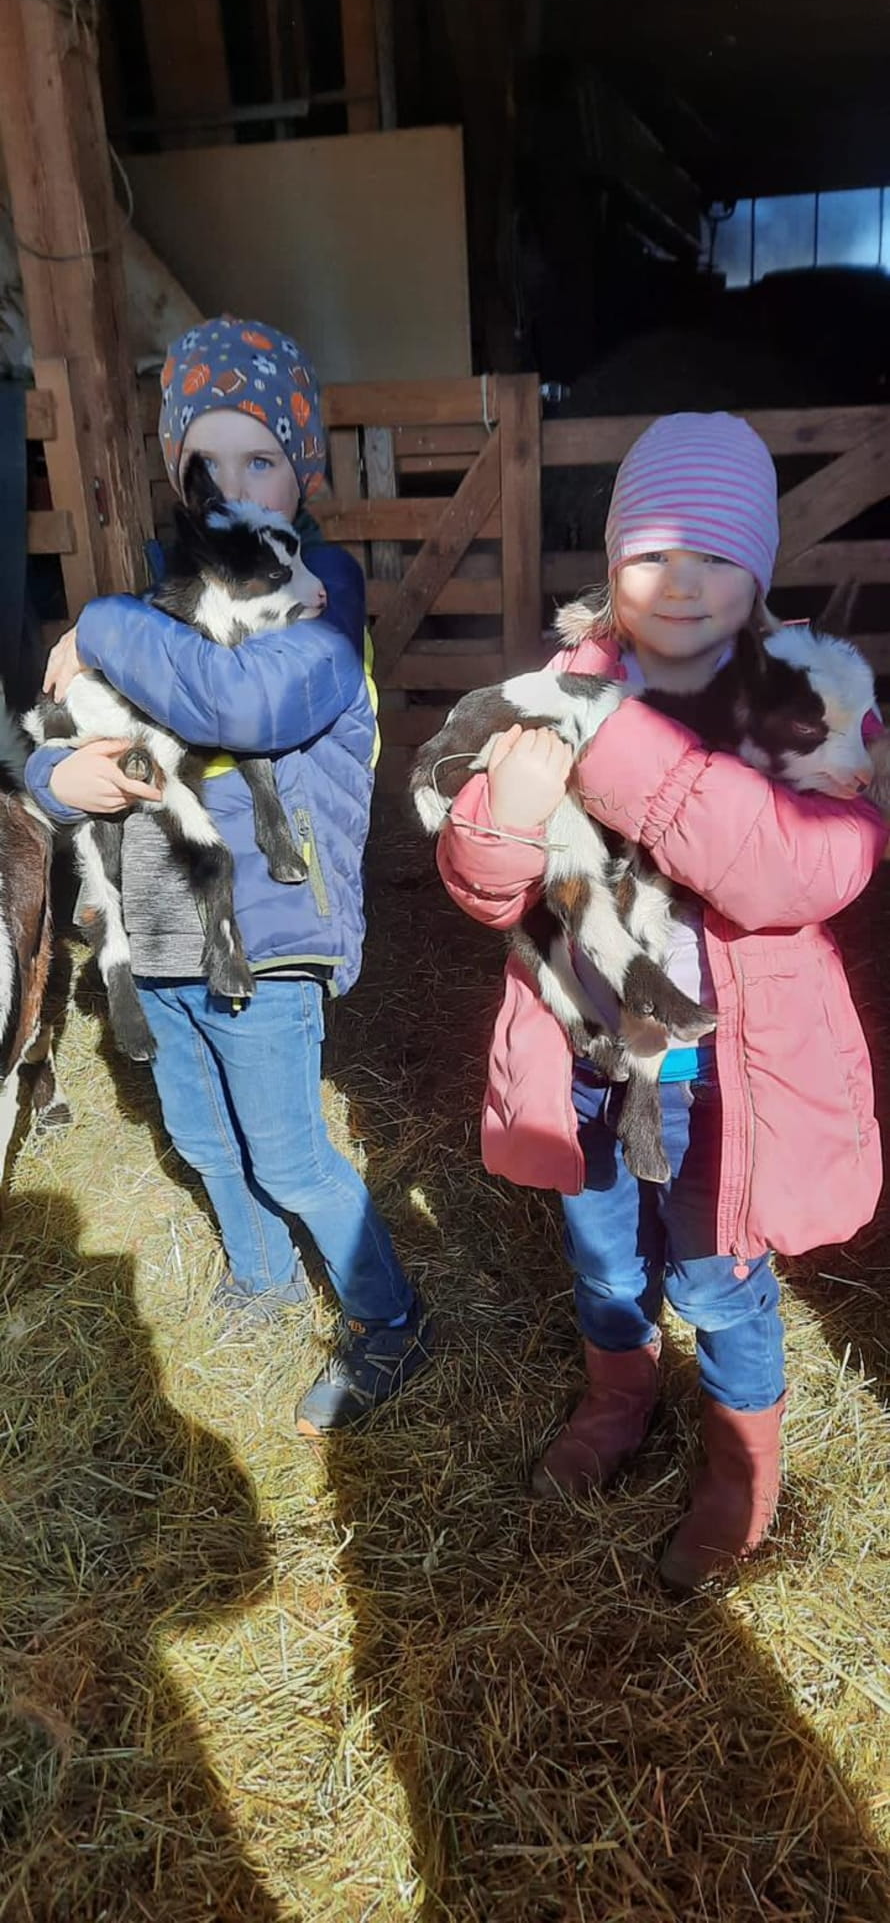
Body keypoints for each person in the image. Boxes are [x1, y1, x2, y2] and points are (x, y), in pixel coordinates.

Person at [435, 411, 887, 1590]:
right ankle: (617, 1396)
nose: (677, 581)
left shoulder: (812, 700)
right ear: (609, 562)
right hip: (588, 1057)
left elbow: (799, 867)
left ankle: (743, 1466)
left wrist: (610, 745)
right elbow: (486, 889)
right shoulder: (557, 691)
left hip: (724, 1083)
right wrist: (508, 822)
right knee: (601, 1258)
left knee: (716, 1277)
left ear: (760, 564)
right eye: (648, 551)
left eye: (712, 552)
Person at [25, 314, 433, 1434]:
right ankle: (257, 1281)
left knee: (291, 1154)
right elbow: (54, 741)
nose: (235, 484)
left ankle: (389, 1319)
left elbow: (242, 703)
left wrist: (101, 621)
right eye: (206, 461)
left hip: (266, 929)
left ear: (301, 470)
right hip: (156, 927)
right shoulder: (156, 608)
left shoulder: (318, 596)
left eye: (262, 457)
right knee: (205, 1140)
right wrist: (65, 774)